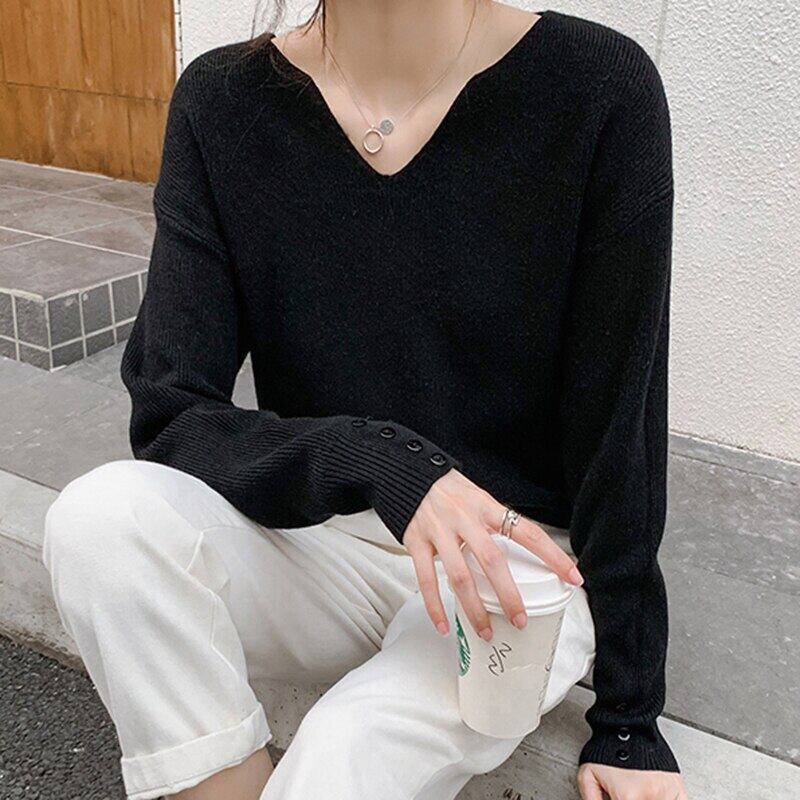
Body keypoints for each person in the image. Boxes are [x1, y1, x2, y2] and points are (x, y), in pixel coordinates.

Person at [42, 2, 688, 799]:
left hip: (509, 572)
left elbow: (622, 435)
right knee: (98, 522)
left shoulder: (596, 89)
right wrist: (384, 464)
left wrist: (629, 720)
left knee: (347, 748)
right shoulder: (225, 103)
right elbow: (171, 414)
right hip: (324, 542)